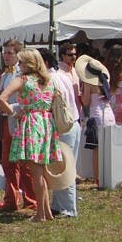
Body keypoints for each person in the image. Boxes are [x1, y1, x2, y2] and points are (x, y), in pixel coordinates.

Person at [0, 48, 59, 222]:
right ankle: (46, 212)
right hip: (46, 122)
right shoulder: (49, 81)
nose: (19, 65)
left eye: (22, 62)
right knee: (42, 170)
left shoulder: (23, 80)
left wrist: (13, 112)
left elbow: (3, 98)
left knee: (36, 172)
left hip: (31, 123)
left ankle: (40, 214)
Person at [0, 39, 35, 212]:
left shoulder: (23, 74)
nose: (5, 56)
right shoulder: (4, 75)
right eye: (4, 52)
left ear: (18, 54)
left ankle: (31, 199)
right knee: (8, 162)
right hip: (6, 119)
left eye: (9, 53)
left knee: (24, 162)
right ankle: (11, 199)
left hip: (20, 119)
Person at [50, 42, 81, 217]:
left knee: (65, 166)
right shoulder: (65, 75)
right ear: (62, 56)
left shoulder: (61, 75)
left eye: (74, 54)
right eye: (70, 55)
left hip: (66, 125)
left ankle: (68, 208)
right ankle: (60, 204)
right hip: (72, 123)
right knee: (64, 165)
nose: (73, 57)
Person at [77, 54, 115, 185]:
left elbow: (86, 101)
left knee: (96, 149)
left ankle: (98, 179)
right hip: (109, 113)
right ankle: (109, 176)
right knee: (108, 147)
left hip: (97, 114)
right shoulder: (105, 80)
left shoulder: (89, 83)